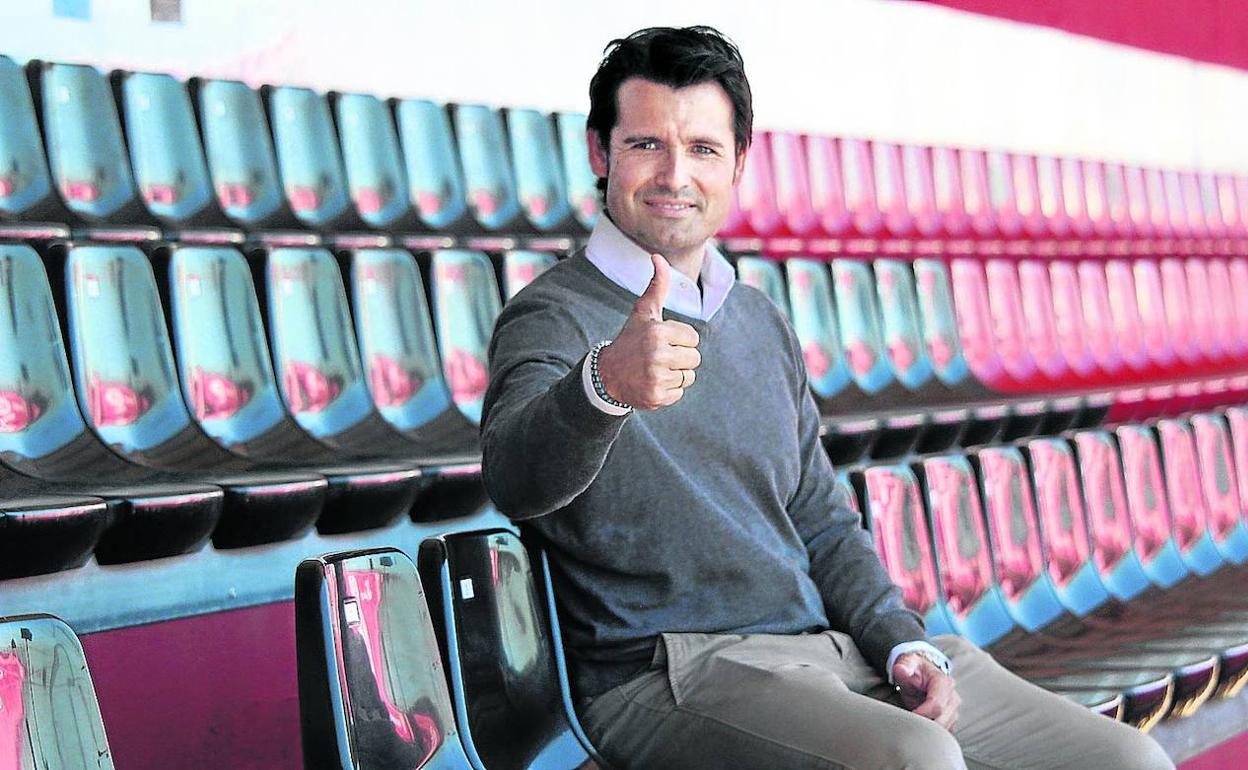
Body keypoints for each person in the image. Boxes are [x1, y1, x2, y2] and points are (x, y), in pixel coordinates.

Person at [480, 25, 1175, 770]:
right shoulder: (551, 315)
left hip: (831, 654)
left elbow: (819, 516)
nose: (675, 174)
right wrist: (603, 387)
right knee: (916, 759)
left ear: (738, 163)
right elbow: (515, 481)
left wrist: (898, 639)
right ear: (600, 152)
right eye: (647, 144)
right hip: (668, 672)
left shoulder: (757, 319)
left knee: (1127, 762)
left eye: (704, 149)